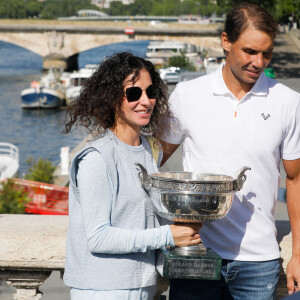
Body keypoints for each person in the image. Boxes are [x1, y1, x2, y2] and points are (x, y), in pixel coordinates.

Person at [161, 3, 300, 299]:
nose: (259, 61)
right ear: (226, 41)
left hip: (258, 263)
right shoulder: (187, 95)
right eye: (250, 51)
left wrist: (298, 254)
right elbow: (152, 160)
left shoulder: (288, 102)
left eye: (266, 53)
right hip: (194, 254)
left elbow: (295, 180)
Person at [62, 52, 202, 300]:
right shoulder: (97, 157)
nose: (146, 101)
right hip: (103, 289)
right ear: (112, 98)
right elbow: (98, 237)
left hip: (142, 287)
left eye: (151, 92)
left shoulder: (149, 151)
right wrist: (168, 235)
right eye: (134, 93)